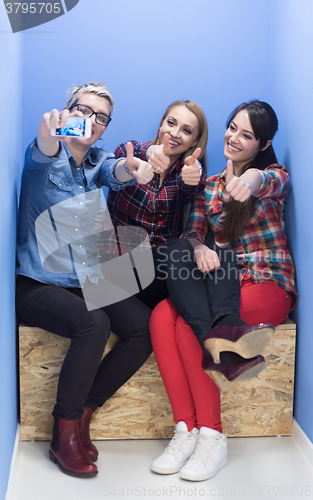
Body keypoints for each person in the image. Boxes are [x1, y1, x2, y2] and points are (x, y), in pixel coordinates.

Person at [15, 81, 158, 479]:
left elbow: (116, 171)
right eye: (83, 110)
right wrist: (49, 132)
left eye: (101, 117)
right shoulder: (45, 154)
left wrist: (134, 166)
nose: (90, 120)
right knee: (93, 323)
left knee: (142, 325)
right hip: (36, 283)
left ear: (104, 127)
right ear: (67, 111)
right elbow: (44, 148)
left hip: (85, 279)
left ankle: (84, 412)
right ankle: (63, 435)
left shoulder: (97, 160)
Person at [148, 100, 297, 481]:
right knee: (162, 315)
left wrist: (249, 182)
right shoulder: (209, 186)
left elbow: (269, 182)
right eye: (232, 127)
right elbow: (194, 232)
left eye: (246, 135)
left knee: (186, 328)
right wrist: (198, 247)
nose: (234, 137)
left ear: (262, 144)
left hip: (265, 281)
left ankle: (212, 435)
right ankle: (187, 429)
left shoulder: (273, 175)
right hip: (223, 282)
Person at [100, 99, 209, 309]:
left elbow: (195, 184)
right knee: (181, 248)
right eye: (171, 123)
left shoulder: (185, 174)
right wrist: (149, 154)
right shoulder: (130, 154)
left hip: (159, 276)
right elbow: (121, 163)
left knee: (190, 254)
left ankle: (212, 331)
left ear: (194, 141)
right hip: (119, 270)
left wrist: (196, 175)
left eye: (186, 130)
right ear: (161, 124)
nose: (175, 133)